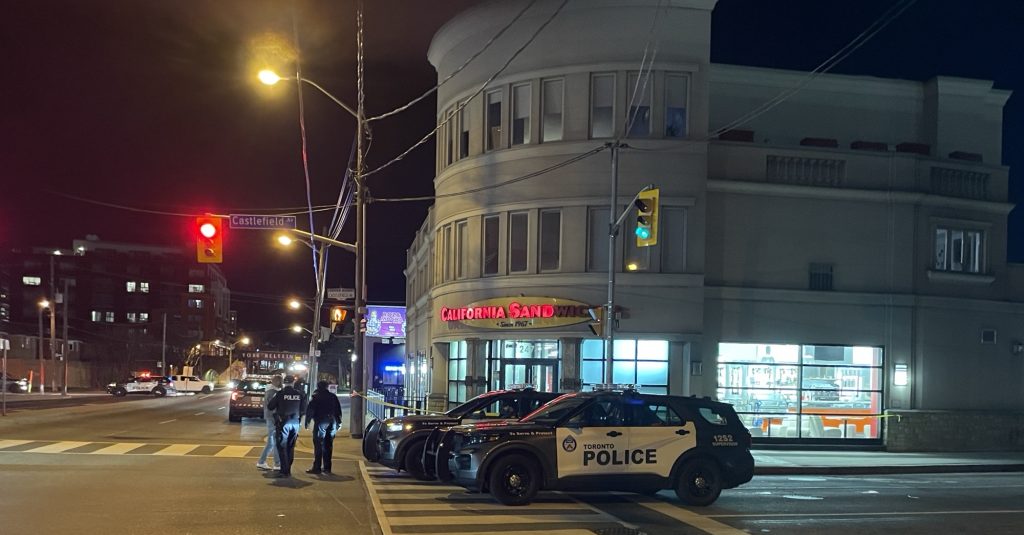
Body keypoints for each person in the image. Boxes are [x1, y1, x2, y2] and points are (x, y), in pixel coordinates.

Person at [268, 374, 306, 477]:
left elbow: (270, 406)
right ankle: (288, 468)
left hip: (283, 422)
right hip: (295, 422)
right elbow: (303, 410)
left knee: (282, 446)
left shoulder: (280, 394)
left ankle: (284, 471)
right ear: (293, 383)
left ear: (284, 383)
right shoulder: (300, 394)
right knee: (291, 446)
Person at [304, 381, 343, 474]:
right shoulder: (333, 396)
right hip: (332, 422)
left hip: (321, 421)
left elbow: (310, 410)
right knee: (328, 445)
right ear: (327, 387)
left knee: (318, 444)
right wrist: (339, 422)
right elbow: (338, 410)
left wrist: (307, 422)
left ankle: (317, 467)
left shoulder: (315, 397)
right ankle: (327, 467)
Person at [256, 375, 283, 471]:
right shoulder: (273, 393)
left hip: (270, 418)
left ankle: (261, 462)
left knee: (271, 442)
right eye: (281, 382)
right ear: (278, 382)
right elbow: (273, 407)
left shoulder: (269, 391)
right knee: (276, 441)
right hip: (273, 418)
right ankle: (277, 464)